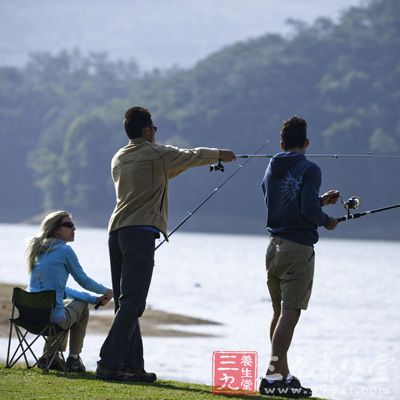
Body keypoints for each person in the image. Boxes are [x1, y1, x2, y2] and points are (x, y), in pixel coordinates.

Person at [96, 106, 236, 382]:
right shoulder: (156, 154)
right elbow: (191, 155)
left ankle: (132, 365)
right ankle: (109, 362)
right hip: (140, 233)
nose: (156, 134)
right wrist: (221, 154)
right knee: (134, 301)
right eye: (155, 129)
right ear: (148, 130)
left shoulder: (118, 158)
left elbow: (163, 173)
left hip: (116, 232)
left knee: (126, 302)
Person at [259, 116, 339, 398]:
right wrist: (326, 219)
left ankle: (282, 374)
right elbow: (307, 210)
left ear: (282, 143)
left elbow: (277, 198)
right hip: (297, 247)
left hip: (274, 246)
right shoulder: (310, 169)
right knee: (290, 313)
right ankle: (272, 377)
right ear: (306, 143)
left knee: (279, 312)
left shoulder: (272, 165)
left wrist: (318, 202)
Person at [27, 210, 113, 372]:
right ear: (57, 229)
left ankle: (49, 356)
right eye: (69, 225)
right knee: (78, 308)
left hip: (30, 317)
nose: (74, 229)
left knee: (64, 306)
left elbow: (61, 289)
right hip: (51, 319)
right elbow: (84, 281)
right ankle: (73, 359)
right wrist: (107, 291)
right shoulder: (65, 251)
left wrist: (93, 299)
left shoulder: (38, 251)